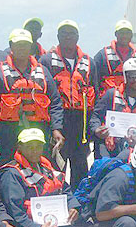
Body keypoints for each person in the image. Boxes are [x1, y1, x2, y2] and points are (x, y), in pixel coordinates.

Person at [0, 128, 81, 227]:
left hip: (48, 222)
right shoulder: (12, 173)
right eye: (29, 146)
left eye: (38, 146)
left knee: (76, 221)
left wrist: (73, 206)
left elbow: (65, 189)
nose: (34, 150)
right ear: (19, 147)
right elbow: (15, 213)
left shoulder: (46, 167)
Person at [0, 29, 64, 165]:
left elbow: (55, 103)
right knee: (7, 168)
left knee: (40, 168)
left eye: (25, 44)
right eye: (18, 44)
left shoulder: (43, 71)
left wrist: (56, 128)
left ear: (31, 46)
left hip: (38, 131)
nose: (22, 48)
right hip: (7, 133)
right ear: (11, 46)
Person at [40, 20, 98, 188]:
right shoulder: (47, 60)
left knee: (80, 163)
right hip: (58, 118)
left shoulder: (89, 62)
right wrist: (54, 126)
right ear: (58, 37)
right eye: (63, 33)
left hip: (81, 121)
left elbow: (95, 91)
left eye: (71, 33)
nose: (67, 37)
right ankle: (55, 196)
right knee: (57, 163)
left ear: (77, 37)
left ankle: (79, 203)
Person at [90, 58, 136, 159]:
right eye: (131, 76)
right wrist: (96, 129)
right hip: (108, 145)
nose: (135, 79)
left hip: (132, 147)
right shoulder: (111, 94)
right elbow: (95, 116)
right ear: (125, 77)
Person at [94, 19, 136, 98]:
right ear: (116, 34)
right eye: (122, 33)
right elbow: (95, 81)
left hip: (131, 100)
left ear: (131, 35)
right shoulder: (102, 55)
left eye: (127, 33)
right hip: (109, 100)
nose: (125, 36)